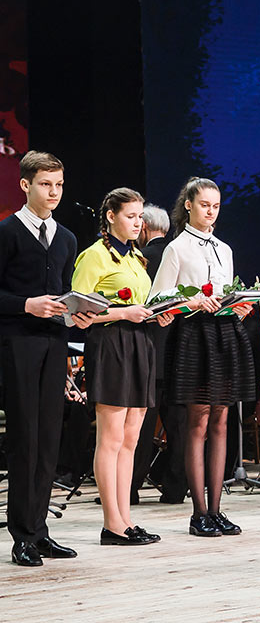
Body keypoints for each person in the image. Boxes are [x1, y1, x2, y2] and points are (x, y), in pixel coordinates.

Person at [148, 177, 256, 537]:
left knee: (221, 421)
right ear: (189, 205)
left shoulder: (224, 248)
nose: (211, 211)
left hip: (224, 334)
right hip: (193, 336)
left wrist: (239, 305)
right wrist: (190, 301)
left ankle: (217, 509)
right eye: (204, 205)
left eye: (216, 206)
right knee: (197, 422)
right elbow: (157, 299)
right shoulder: (176, 248)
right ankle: (198, 513)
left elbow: (226, 292)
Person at [0, 151, 86, 566]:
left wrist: (79, 314)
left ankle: (40, 531)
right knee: (25, 439)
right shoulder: (7, 232)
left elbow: (65, 293)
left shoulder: (66, 238)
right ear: (25, 185)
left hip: (54, 344)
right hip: (18, 344)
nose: (54, 192)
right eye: (46, 184)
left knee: (50, 437)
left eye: (59, 185)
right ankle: (22, 535)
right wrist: (25, 305)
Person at [72, 187, 172, 545]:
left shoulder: (137, 257)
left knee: (131, 438)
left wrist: (156, 315)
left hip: (140, 343)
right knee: (112, 438)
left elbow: (142, 303)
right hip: (111, 343)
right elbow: (76, 312)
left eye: (140, 216)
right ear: (111, 216)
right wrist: (123, 313)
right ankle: (111, 523)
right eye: (131, 216)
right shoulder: (94, 256)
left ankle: (126, 519)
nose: (137, 222)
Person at [131, 203, 187, 503]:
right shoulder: (181, 252)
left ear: (143, 227)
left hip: (150, 350)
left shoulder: (141, 259)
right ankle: (176, 489)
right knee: (179, 426)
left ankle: (130, 489)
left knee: (141, 424)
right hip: (180, 352)